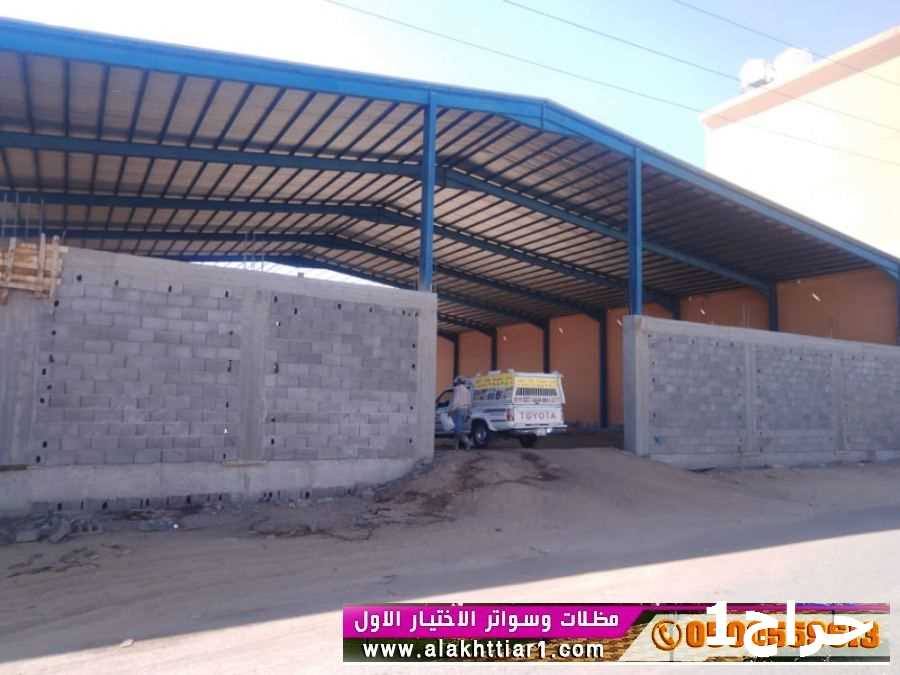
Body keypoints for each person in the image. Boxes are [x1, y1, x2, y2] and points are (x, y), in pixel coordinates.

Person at [448, 376, 472, 450]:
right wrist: (468, 413)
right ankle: (455, 446)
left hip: (458, 410)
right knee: (458, 428)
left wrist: (451, 410)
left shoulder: (457, 389)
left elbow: (455, 401)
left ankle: (467, 442)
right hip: (465, 410)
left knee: (458, 430)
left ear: (458, 382)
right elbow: (469, 403)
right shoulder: (467, 390)